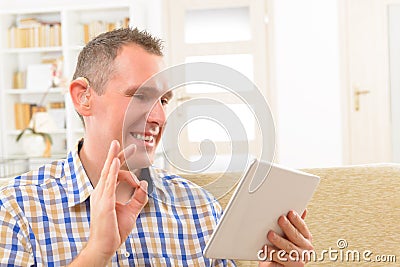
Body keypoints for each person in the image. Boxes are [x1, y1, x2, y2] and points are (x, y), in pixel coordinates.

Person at [0, 28, 314, 266]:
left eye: (163, 100)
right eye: (140, 96)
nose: (159, 117)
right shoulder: (15, 210)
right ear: (83, 96)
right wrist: (97, 252)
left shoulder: (199, 209)